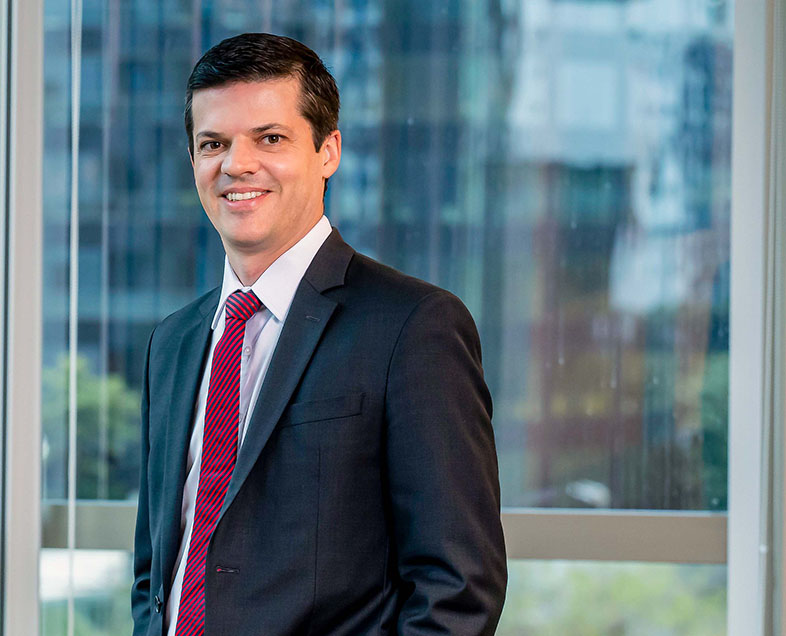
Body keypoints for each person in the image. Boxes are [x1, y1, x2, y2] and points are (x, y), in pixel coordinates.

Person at [131, 32, 507, 636]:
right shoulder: (171, 343)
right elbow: (156, 573)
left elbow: (457, 590)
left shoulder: (413, 327)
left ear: (328, 150)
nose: (237, 164)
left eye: (270, 138)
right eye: (213, 143)